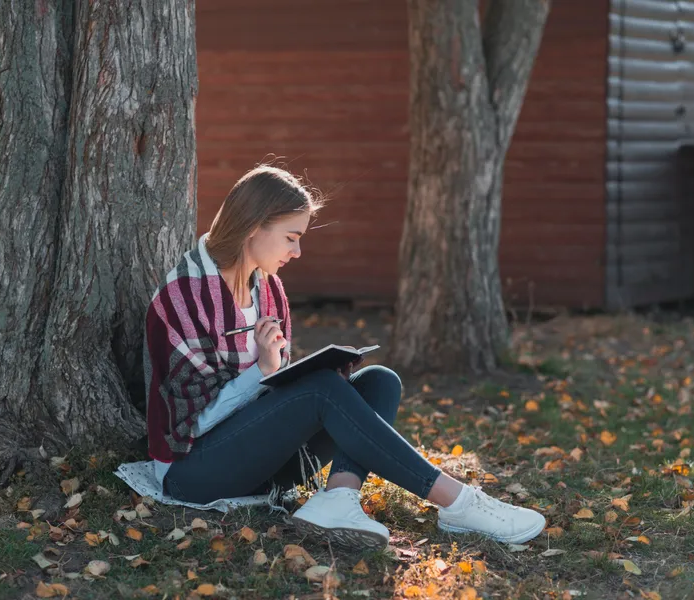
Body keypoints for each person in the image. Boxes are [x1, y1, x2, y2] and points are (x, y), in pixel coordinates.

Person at [144, 165, 546, 549]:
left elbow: (272, 400)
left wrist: (298, 374)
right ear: (254, 226)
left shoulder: (267, 291)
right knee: (320, 389)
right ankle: (458, 503)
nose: (298, 251)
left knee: (380, 381)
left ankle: (337, 499)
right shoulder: (183, 298)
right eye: (291, 237)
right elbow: (190, 424)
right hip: (191, 472)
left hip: (255, 465)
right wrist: (266, 372)